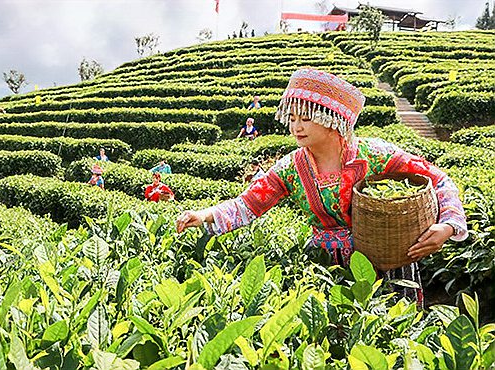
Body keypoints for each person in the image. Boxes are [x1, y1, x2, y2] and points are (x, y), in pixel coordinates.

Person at [176, 68, 468, 307]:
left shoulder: (374, 154)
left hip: (387, 263)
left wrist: (448, 226)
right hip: (327, 268)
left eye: (305, 118)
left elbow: (438, 179)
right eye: (292, 118)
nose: (296, 127)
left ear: (332, 120)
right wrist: (204, 215)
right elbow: (249, 203)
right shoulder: (292, 168)